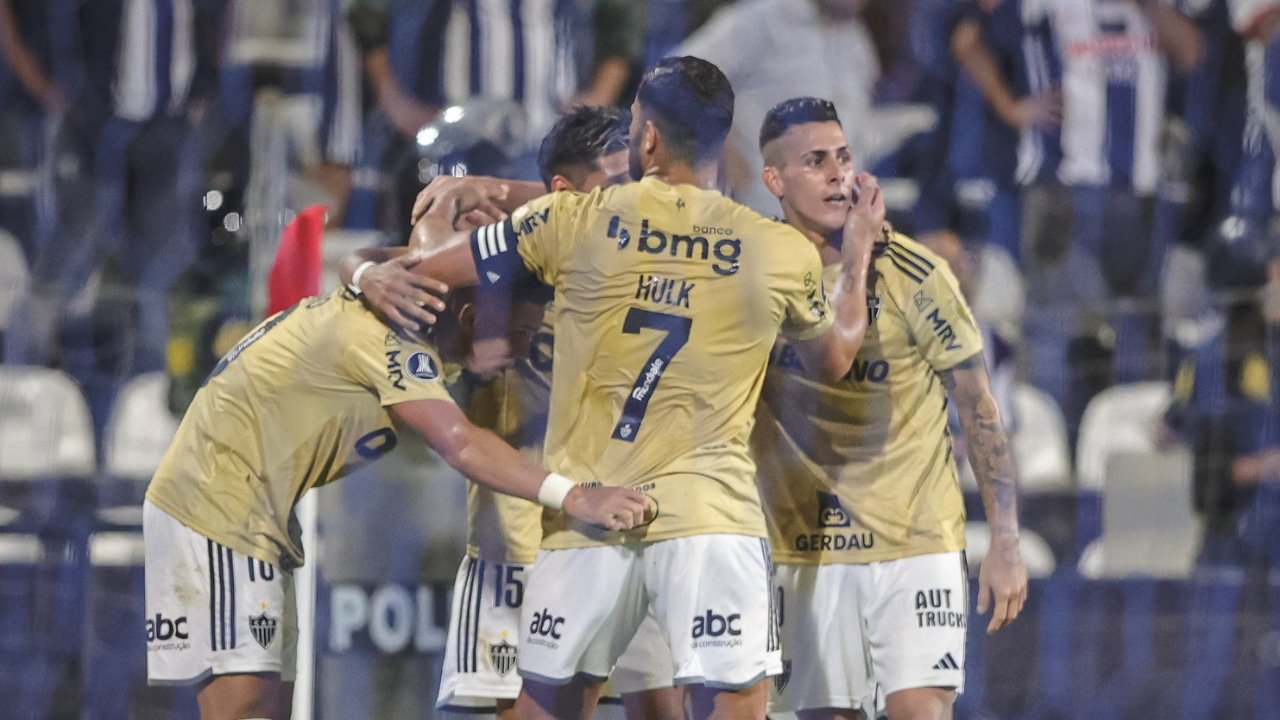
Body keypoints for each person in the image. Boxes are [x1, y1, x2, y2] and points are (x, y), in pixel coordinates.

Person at [348, 56, 882, 720]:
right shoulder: (776, 250)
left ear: (649, 138)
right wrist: (855, 257)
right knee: (735, 702)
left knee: (544, 702)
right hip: (709, 517)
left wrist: (359, 270)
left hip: (587, 511)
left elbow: (425, 270)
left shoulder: (574, 221)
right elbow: (832, 359)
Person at [142, 284, 647, 720]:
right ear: (471, 316)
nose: (516, 355)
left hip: (253, 514)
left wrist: (360, 268)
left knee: (270, 710)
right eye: (513, 338)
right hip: (214, 501)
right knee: (246, 709)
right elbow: (460, 443)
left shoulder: (411, 327)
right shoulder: (385, 340)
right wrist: (576, 496)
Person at [353, 106, 681, 720]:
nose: (633, 203)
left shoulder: (666, 259)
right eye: (616, 187)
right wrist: (367, 268)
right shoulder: (502, 273)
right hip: (523, 554)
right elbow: (400, 269)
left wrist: (499, 189)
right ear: (563, 196)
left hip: (638, 538)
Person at [749, 97, 1028, 720]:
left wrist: (1006, 543)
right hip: (805, 550)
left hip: (916, 545)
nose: (835, 174)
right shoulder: (753, 277)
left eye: (843, 157)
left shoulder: (916, 272)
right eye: (814, 161)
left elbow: (979, 407)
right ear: (774, 180)